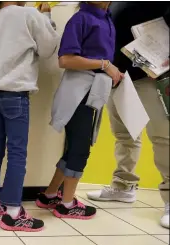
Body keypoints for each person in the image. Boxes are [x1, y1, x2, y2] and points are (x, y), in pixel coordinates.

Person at [0, 1, 59, 231]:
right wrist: (48, 17)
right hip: (15, 94)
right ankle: (13, 212)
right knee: (17, 153)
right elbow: (49, 48)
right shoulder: (30, 14)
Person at [86, 2, 170, 228]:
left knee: (162, 136)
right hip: (118, 73)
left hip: (149, 74)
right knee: (125, 134)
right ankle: (123, 186)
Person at [36, 1, 123, 220]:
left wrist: (110, 69)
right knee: (80, 149)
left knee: (75, 146)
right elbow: (65, 59)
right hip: (79, 92)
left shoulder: (106, 19)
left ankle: (49, 195)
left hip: (92, 90)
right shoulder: (81, 18)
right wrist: (105, 64)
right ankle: (66, 204)